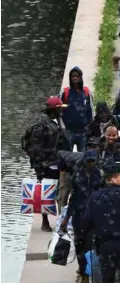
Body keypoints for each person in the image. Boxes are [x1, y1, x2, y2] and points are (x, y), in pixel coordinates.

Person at [22, 96, 70, 231]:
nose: (62, 111)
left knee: (61, 192)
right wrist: (41, 166)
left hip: (59, 162)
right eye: (60, 108)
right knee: (46, 193)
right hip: (46, 165)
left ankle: (61, 220)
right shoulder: (41, 126)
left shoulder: (58, 121)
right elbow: (36, 149)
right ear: (54, 110)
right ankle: (45, 222)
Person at [61, 150, 101, 283]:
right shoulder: (77, 174)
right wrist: (66, 218)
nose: (90, 164)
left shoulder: (99, 175)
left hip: (95, 217)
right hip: (79, 216)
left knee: (93, 247)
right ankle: (83, 275)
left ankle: (94, 275)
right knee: (80, 246)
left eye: (92, 161)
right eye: (88, 161)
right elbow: (73, 197)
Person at [60, 66, 93, 152]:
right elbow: (58, 111)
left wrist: (90, 126)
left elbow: (91, 110)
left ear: (80, 77)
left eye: (77, 76)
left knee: (83, 157)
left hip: (83, 132)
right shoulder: (65, 93)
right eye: (73, 76)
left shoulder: (86, 93)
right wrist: (62, 127)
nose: (75, 78)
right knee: (67, 155)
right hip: (69, 131)